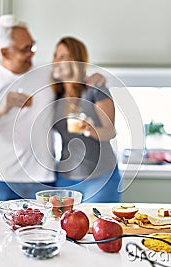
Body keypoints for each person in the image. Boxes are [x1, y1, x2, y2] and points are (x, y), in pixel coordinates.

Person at [0, 15, 106, 201]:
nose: (32, 53)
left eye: (33, 45)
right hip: (5, 180)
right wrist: (1, 108)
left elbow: (76, 77)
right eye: (25, 49)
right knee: (4, 229)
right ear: (5, 53)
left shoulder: (47, 75)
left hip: (45, 178)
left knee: (48, 228)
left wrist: (97, 77)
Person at [51, 36, 122, 202]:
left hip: (100, 177)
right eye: (55, 56)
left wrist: (91, 129)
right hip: (65, 179)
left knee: (96, 226)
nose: (55, 61)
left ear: (76, 60)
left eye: (62, 56)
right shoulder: (55, 97)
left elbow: (110, 131)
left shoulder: (95, 89)